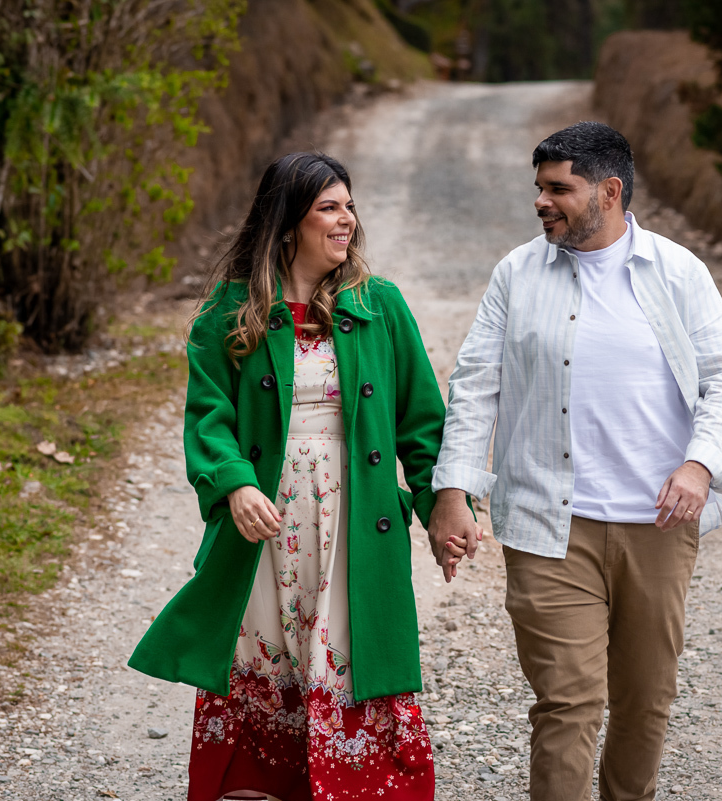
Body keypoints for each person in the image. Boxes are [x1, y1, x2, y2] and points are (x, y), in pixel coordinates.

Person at [426, 122, 722, 801]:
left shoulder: (678, 272)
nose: (541, 202)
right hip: (547, 524)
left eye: (558, 189)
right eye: (539, 188)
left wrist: (699, 465)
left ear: (609, 192)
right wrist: (454, 491)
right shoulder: (517, 273)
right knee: (568, 701)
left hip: (657, 526)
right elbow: (475, 384)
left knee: (645, 700)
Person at [129, 152, 447, 801]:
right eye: (329, 207)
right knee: (263, 652)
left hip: (354, 523)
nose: (347, 220)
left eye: (349, 206)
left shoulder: (379, 305)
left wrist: (445, 504)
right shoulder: (230, 311)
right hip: (266, 528)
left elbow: (421, 420)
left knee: (351, 653)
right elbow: (208, 416)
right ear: (287, 222)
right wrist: (236, 483)